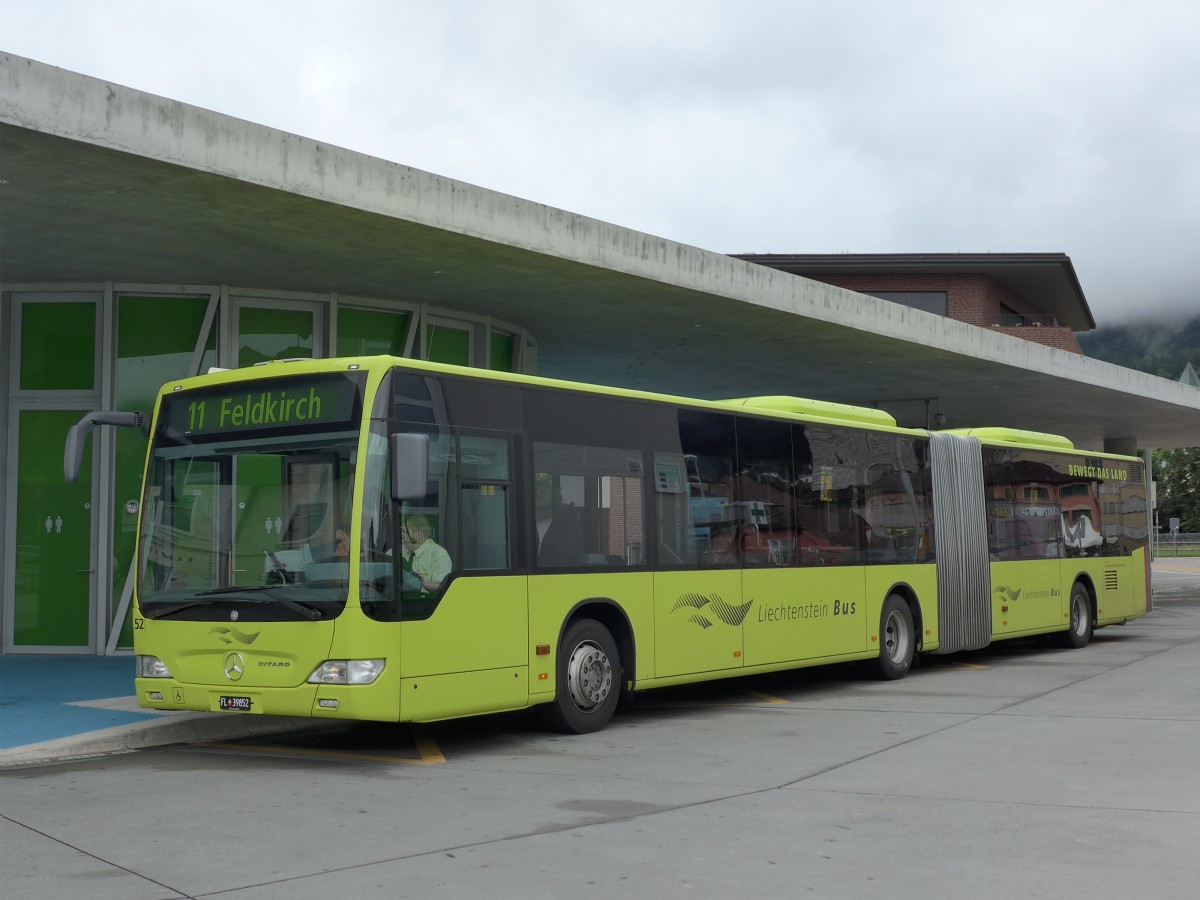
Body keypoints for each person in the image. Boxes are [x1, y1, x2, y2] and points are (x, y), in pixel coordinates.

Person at [401, 515, 452, 592]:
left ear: (417, 533)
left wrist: (420, 583)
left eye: (404, 532)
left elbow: (444, 588)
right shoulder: (401, 551)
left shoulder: (438, 554)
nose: (402, 536)